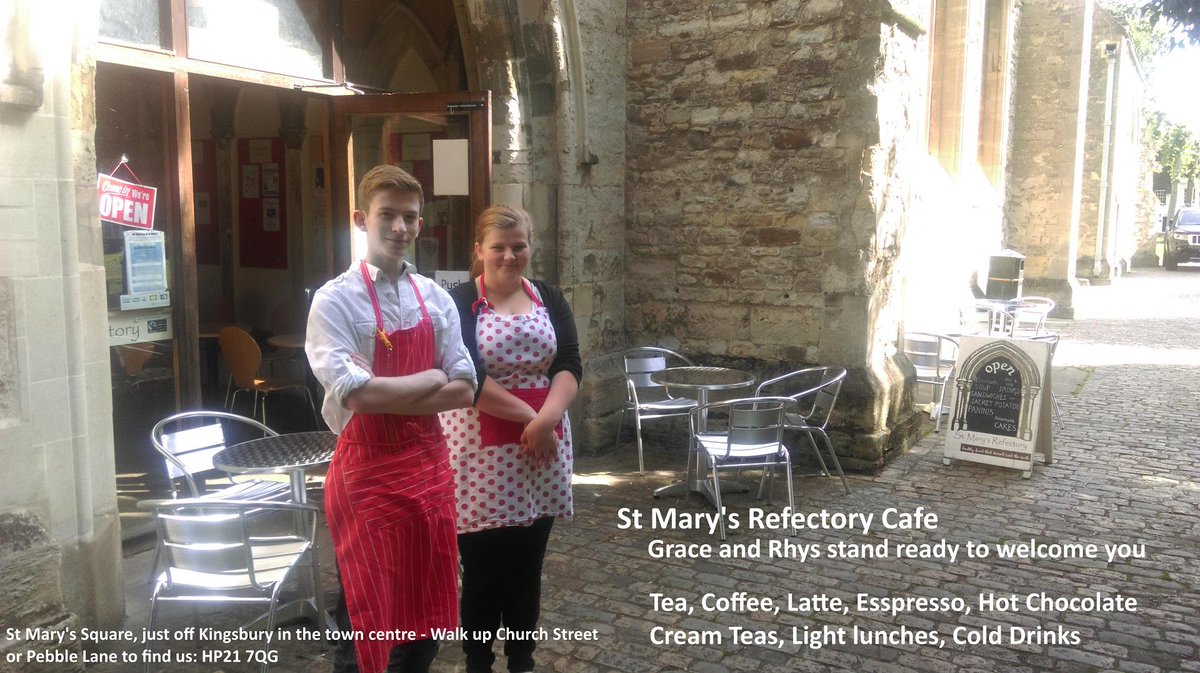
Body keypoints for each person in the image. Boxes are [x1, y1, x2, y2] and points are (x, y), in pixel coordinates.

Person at [305, 165, 477, 673]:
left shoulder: (437, 298)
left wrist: (385, 390)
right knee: (366, 618)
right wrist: (430, 377)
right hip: (366, 476)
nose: (399, 227)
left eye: (409, 217)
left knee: (423, 621)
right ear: (361, 219)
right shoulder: (334, 300)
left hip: (428, 470)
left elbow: (465, 388)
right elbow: (355, 396)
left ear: (420, 224)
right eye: (387, 215)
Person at [440, 205, 581, 673]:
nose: (509, 255)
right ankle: (478, 660)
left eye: (518, 245)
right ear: (479, 251)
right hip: (478, 452)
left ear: (530, 246)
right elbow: (468, 375)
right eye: (497, 247)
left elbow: (569, 365)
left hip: (543, 450)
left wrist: (549, 419)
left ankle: (522, 659)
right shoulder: (458, 302)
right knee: (482, 570)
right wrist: (533, 420)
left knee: (527, 567)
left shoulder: (550, 298)